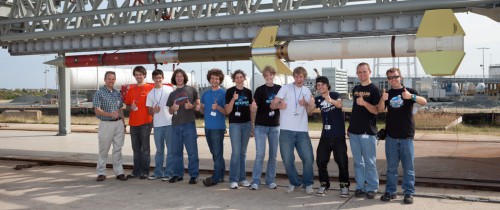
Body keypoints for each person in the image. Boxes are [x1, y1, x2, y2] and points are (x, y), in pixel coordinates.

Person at [377, 67, 427, 204]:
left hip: (406, 136)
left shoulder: (409, 92)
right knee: (391, 168)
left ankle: (408, 193)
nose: (393, 80)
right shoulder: (387, 93)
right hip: (391, 136)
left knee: (408, 168)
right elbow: (380, 110)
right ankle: (390, 191)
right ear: (388, 79)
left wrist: (412, 97)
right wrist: (383, 99)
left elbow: (424, 102)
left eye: (395, 77)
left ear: (401, 77)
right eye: (390, 78)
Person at [270, 66, 316, 194]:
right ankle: (295, 183)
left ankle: (308, 184)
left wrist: (307, 104)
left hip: (302, 130)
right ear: (293, 77)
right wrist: (279, 105)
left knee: (308, 158)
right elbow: (272, 105)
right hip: (286, 130)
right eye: (296, 76)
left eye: (300, 76)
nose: (298, 79)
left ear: (304, 77)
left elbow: (309, 112)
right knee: (287, 159)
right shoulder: (285, 88)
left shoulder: (307, 91)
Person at [311, 76, 350, 197]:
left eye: (323, 84)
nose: (320, 86)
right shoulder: (317, 99)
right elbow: (309, 111)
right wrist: (309, 103)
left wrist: (330, 100)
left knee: (342, 161)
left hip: (338, 135)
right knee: (321, 160)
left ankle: (344, 186)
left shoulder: (334, 94)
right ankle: (324, 184)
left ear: (327, 85)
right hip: (326, 136)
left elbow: (339, 104)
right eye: (318, 85)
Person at [348, 62, 381, 199]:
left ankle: (372, 187)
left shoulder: (375, 89)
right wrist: (349, 128)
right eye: (359, 72)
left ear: (370, 72)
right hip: (354, 132)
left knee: (370, 162)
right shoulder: (355, 88)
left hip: (368, 132)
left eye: (364, 71)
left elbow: (377, 111)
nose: (362, 74)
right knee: (358, 162)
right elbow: (355, 111)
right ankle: (360, 187)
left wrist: (365, 103)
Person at [166, 68, 200, 184]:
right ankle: (177, 174)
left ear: (184, 78)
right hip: (175, 125)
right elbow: (170, 111)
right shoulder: (172, 94)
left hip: (189, 124)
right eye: (177, 77)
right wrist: (172, 108)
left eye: (181, 76)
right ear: (174, 79)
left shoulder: (191, 90)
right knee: (176, 152)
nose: (179, 78)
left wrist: (193, 107)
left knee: (192, 152)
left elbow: (198, 104)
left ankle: (194, 175)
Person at [250, 66, 281, 190]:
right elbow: (254, 108)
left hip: (275, 126)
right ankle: (256, 181)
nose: (268, 77)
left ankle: (270, 180)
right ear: (264, 77)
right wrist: (253, 108)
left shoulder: (279, 89)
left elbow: (283, 104)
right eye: (266, 75)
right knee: (260, 154)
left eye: (270, 75)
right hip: (261, 126)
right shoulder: (259, 90)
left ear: (274, 75)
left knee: (273, 155)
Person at [93, 71, 128, 182]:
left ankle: (119, 172)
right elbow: (97, 110)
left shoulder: (117, 93)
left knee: (118, 149)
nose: (111, 81)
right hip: (106, 124)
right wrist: (110, 114)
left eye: (113, 79)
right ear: (105, 79)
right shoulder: (99, 93)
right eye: (109, 79)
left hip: (118, 124)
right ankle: (101, 172)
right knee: (104, 150)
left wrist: (123, 124)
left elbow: (120, 109)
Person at [124, 66, 154, 179]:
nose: (138, 77)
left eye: (140, 74)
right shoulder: (131, 89)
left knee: (145, 149)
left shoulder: (150, 88)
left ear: (144, 75)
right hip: (133, 123)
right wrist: (130, 107)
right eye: (136, 75)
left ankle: (145, 172)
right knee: (136, 149)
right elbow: (126, 105)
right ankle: (136, 171)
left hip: (146, 122)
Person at [225, 69, 253, 189]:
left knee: (243, 153)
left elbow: (251, 109)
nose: (239, 79)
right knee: (236, 152)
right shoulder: (230, 91)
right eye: (237, 77)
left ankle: (242, 179)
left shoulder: (248, 92)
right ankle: (233, 179)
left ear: (244, 78)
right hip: (235, 124)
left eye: (241, 77)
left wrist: (252, 125)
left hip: (246, 124)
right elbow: (227, 111)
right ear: (234, 79)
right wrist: (233, 99)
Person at [145, 69, 174, 181]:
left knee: (170, 150)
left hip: (169, 123)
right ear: (153, 79)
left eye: (160, 77)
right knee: (159, 150)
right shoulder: (150, 94)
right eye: (156, 78)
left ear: (163, 78)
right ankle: (158, 173)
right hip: (157, 125)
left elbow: (174, 104)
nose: (158, 79)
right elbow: (149, 111)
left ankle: (168, 173)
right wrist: (154, 110)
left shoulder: (169, 89)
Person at [201, 68, 227, 187]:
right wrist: (199, 108)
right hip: (208, 127)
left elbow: (227, 112)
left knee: (217, 153)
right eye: (212, 78)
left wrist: (218, 108)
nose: (214, 80)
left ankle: (215, 178)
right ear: (209, 79)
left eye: (217, 78)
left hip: (218, 127)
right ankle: (221, 175)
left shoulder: (224, 93)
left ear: (220, 80)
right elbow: (202, 110)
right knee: (215, 153)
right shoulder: (205, 93)